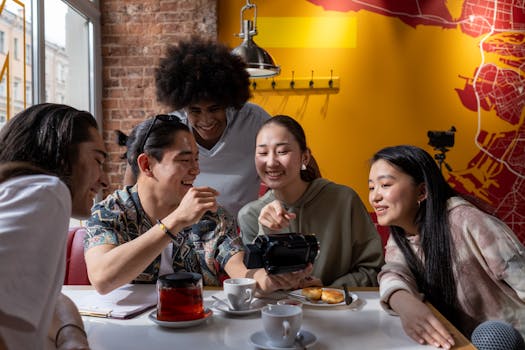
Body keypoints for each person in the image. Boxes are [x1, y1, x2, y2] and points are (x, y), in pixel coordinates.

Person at [84, 115, 314, 295]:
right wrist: (176, 221)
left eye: (196, 159)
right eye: (184, 160)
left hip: (198, 331)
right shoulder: (110, 213)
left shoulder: (211, 215)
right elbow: (103, 278)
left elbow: (239, 270)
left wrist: (270, 280)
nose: (196, 170)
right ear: (146, 165)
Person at [368, 145, 525, 349]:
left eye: (385, 185)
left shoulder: (468, 222)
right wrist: (404, 303)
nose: (375, 197)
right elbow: (393, 273)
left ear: (422, 191)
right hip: (460, 343)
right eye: (372, 187)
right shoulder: (402, 235)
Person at [0, 103, 109, 349]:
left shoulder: (16, 192)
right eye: (98, 160)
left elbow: (43, 295)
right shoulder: (46, 191)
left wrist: (71, 335)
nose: (104, 180)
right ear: (62, 153)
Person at [238, 115, 384, 287]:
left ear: (305, 157)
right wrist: (267, 231)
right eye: (262, 153)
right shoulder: (250, 215)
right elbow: (256, 280)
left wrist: (328, 290)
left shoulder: (344, 200)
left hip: (339, 311)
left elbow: (373, 269)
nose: (271, 162)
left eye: (282, 151)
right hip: (277, 312)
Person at [153, 36, 271, 218]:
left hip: (242, 231)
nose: (206, 120)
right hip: (185, 234)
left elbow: (296, 157)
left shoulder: (255, 121)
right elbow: (136, 167)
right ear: (183, 108)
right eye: (195, 111)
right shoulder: (171, 129)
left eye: (214, 109)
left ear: (228, 103)